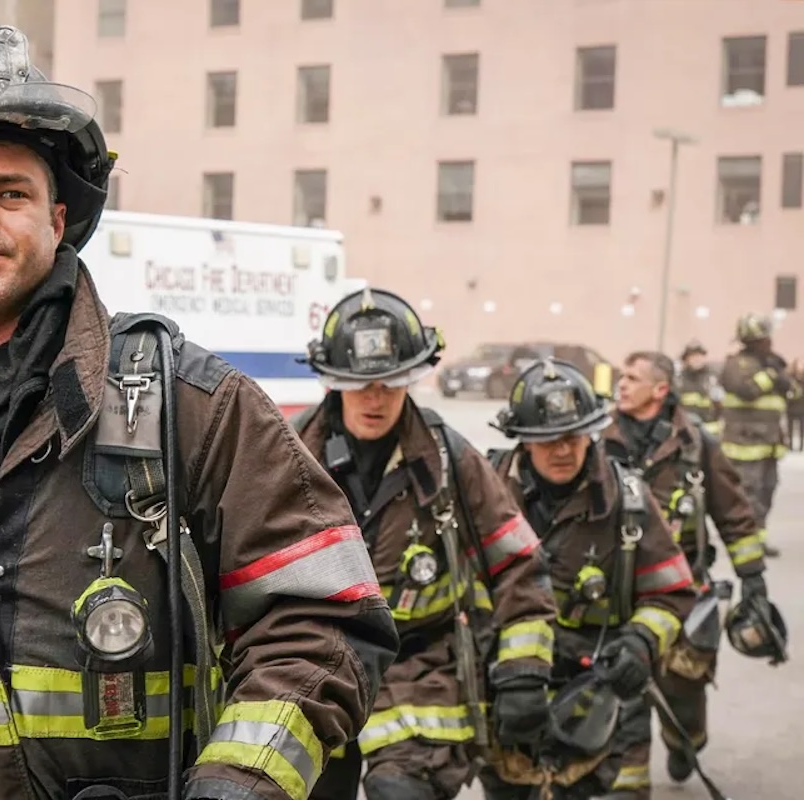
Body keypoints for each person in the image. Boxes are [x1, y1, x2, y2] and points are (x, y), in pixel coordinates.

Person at [0, 22, 398, 800]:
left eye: (11, 192)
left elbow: (324, 618)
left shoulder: (189, 406)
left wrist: (242, 781)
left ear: (58, 221)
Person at [294, 288, 557, 800]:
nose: (376, 397)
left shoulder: (449, 459)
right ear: (335, 381)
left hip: (418, 668)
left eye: (391, 382)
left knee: (402, 791)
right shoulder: (288, 450)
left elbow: (519, 564)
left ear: (412, 378)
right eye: (360, 382)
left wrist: (524, 672)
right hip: (310, 663)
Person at [481, 359, 694, 800]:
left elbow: (672, 592)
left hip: (605, 684)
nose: (563, 450)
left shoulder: (628, 501)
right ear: (522, 439)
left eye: (574, 437)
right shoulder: (485, 494)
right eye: (549, 440)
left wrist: (641, 642)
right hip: (510, 688)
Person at [602, 351, 770, 784]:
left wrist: (753, 580)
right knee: (623, 692)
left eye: (632, 377)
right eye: (622, 375)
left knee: (683, 693)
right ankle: (628, 783)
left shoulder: (698, 444)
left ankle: (685, 741)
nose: (621, 384)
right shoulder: (600, 438)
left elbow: (735, 515)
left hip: (684, 593)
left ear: (660, 390)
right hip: (616, 592)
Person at [718, 313, 801, 558]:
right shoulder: (736, 365)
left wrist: (789, 380)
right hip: (744, 444)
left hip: (770, 446)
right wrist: (772, 376)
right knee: (747, 495)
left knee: (766, 493)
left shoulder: (772, 362)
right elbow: (746, 391)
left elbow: (794, 395)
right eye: (764, 338)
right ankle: (745, 544)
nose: (769, 342)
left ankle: (759, 540)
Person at [675, 341, 721, 436]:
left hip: (711, 429)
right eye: (693, 356)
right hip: (687, 430)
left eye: (699, 355)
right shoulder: (679, 380)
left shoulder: (714, 377)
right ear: (686, 359)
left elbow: (721, 403)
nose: (697, 359)